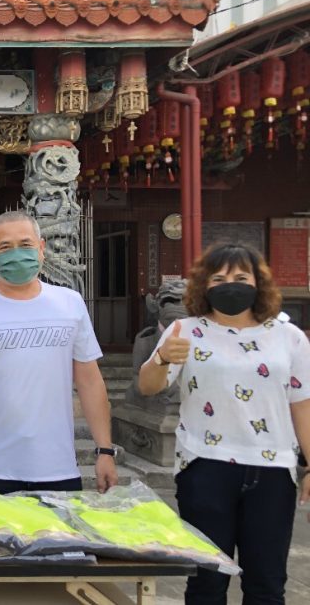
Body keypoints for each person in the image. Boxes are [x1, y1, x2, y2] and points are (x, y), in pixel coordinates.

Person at [138, 243, 310, 604]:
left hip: (272, 472)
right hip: (205, 467)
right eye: (219, 278)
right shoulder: (185, 330)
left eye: (241, 277)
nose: (230, 285)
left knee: (267, 584)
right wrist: (162, 358)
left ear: (259, 283)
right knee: (206, 582)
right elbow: (148, 386)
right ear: (204, 284)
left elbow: (302, 404)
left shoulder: (289, 337)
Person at [0, 210, 118, 494]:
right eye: (5, 247)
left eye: (25, 244)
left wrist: (104, 449)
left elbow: (90, 381)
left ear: (41, 248)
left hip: (57, 465)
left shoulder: (70, 304)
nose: (16, 254)